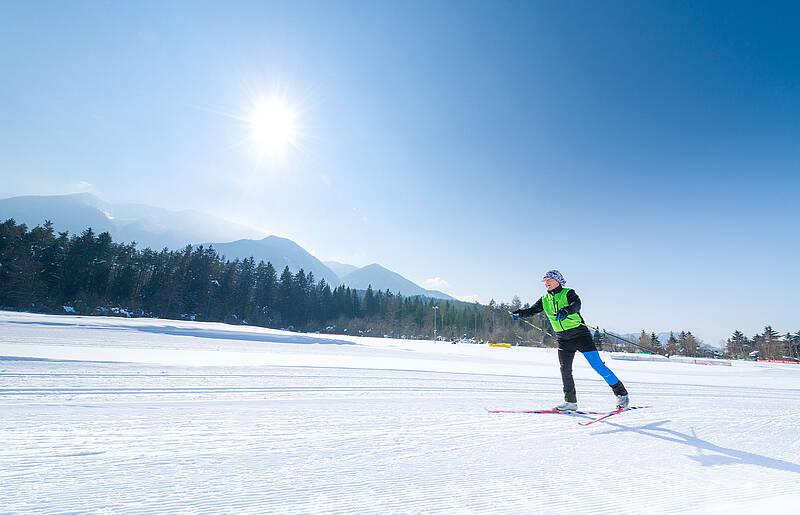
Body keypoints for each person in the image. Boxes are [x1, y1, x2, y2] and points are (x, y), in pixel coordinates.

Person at [511, 270, 629, 411]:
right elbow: (532, 310)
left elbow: (576, 304)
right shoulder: (544, 299)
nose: (546, 282)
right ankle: (570, 402)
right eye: (545, 280)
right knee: (565, 370)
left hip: (580, 336)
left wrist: (566, 310)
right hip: (563, 339)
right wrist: (519, 313)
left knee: (598, 366)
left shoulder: (568, 293)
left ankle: (622, 395)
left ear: (558, 280)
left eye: (549, 279)